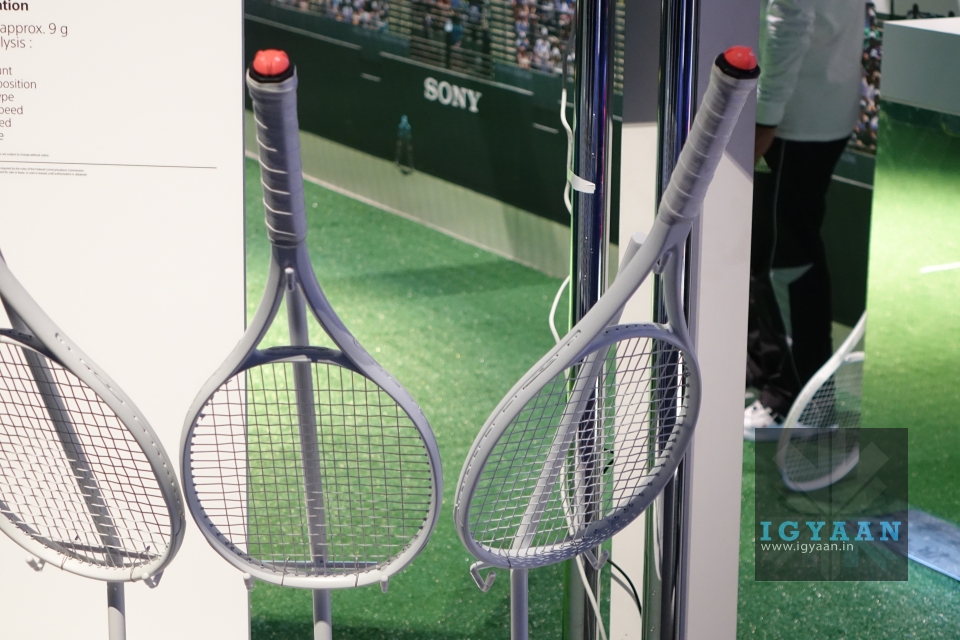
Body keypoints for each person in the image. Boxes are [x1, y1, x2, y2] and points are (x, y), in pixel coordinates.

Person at [744, 0, 865, 440]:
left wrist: (766, 114)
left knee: (785, 257)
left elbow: (789, 18)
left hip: (793, 119)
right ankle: (770, 373)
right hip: (812, 104)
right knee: (771, 247)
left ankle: (798, 400)